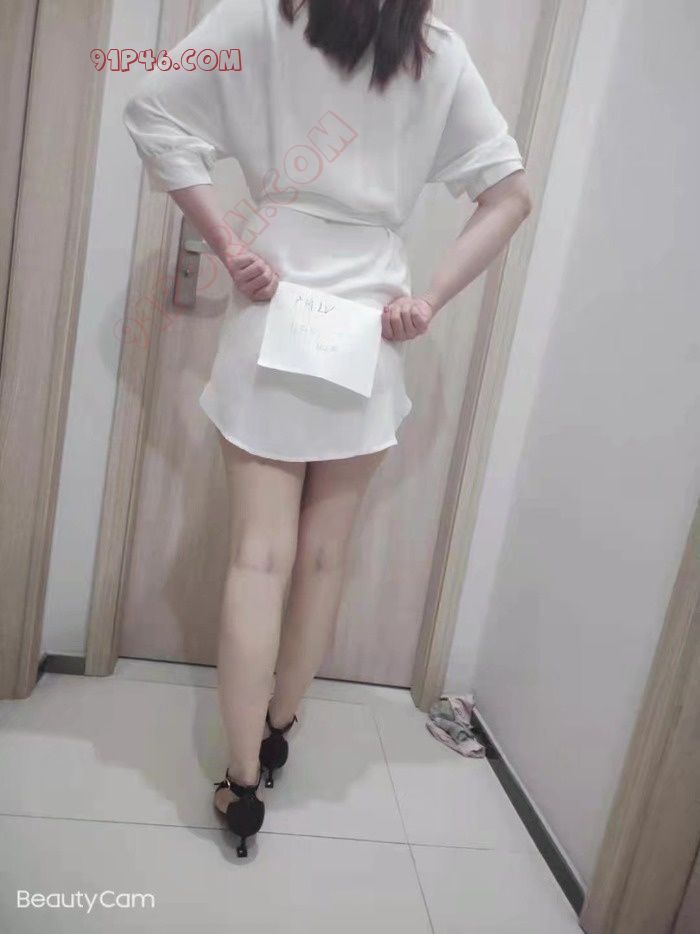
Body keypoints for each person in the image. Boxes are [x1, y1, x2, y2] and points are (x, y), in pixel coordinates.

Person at [123, 0, 531, 857]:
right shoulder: (434, 51)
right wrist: (430, 299)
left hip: (276, 306)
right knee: (322, 556)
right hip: (368, 326)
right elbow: (510, 197)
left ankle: (240, 784)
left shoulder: (256, 20)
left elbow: (149, 109)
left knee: (258, 556)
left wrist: (227, 243)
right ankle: (279, 730)